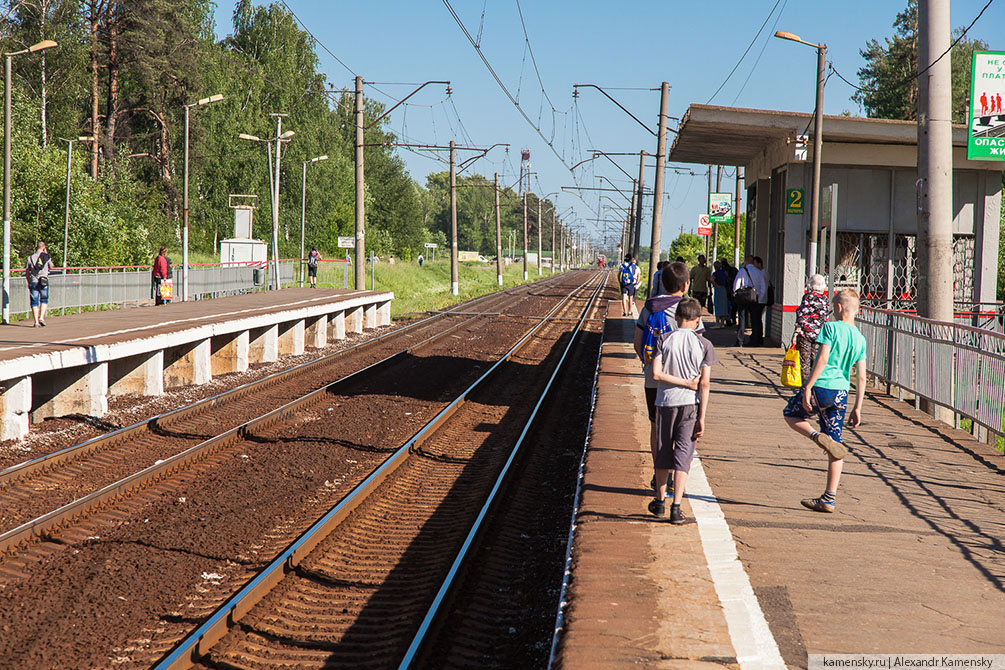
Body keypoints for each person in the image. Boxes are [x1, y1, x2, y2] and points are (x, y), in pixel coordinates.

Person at [782, 290, 866, 513]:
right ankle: (829, 498)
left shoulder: (830, 327)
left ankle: (815, 436)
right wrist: (857, 407)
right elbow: (862, 376)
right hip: (841, 392)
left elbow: (823, 357)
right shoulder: (860, 338)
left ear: (838, 308)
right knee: (836, 444)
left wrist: (808, 385)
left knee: (791, 413)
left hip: (822, 386)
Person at [635, 261, 706, 491]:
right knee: (682, 433)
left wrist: (649, 367)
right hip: (685, 386)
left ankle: (660, 474)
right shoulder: (690, 311)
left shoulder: (649, 308)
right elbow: (700, 348)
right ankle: (676, 478)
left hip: (653, 380)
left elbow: (638, 343)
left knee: (658, 430)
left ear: (662, 282)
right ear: (686, 285)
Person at [648, 297, 716, 525]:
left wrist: (678, 382)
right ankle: (676, 508)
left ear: (676, 318)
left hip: (665, 402)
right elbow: (704, 384)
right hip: (690, 405)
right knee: (683, 455)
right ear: (698, 320)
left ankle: (659, 503)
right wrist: (702, 416)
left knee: (663, 452)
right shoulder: (704, 345)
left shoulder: (664, 339)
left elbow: (656, 375)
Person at [790, 274, 831, 384]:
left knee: (805, 362)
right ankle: (815, 384)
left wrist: (796, 332)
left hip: (805, 334)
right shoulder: (825, 300)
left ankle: (806, 387)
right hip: (820, 335)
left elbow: (802, 315)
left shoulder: (808, 297)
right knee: (816, 361)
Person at [732, 255, 766, 346]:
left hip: (743, 297)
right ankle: (754, 341)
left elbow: (736, 285)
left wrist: (736, 295)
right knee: (755, 320)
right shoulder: (759, 272)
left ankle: (740, 340)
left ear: (746, 262)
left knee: (742, 319)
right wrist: (759, 297)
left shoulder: (742, 271)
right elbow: (763, 287)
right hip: (754, 298)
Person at [26, 241, 53, 327]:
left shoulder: (30, 258)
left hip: (33, 281)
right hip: (44, 281)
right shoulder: (46, 257)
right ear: (44, 248)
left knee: (34, 302)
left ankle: (36, 322)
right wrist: (46, 254)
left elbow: (27, 271)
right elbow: (51, 266)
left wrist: (28, 281)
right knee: (44, 299)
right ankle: (41, 317)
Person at [711, 260, 729, 328]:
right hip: (723, 289)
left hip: (718, 289)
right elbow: (727, 280)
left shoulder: (715, 273)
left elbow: (712, 279)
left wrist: (715, 284)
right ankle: (722, 323)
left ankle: (717, 323)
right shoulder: (724, 273)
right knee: (724, 306)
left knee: (718, 305)